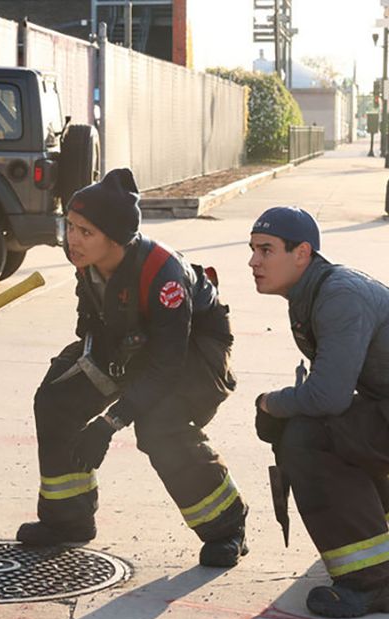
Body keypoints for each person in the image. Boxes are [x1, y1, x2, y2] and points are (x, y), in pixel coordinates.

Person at [249, 207, 389, 618]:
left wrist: (269, 402)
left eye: (266, 250)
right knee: (324, 430)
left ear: (302, 253)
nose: (253, 261)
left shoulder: (338, 296)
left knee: (306, 439)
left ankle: (372, 582)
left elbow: (328, 397)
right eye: (253, 250)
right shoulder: (313, 292)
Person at [16, 168, 247, 567]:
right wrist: (93, 359)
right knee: (56, 400)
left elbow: (165, 368)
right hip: (129, 344)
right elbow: (90, 321)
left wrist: (109, 423)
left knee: (159, 425)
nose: (73, 239)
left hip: (192, 353)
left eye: (85, 232)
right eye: (70, 226)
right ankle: (68, 519)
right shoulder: (86, 262)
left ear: (116, 237)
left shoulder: (164, 277)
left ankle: (227, 526)